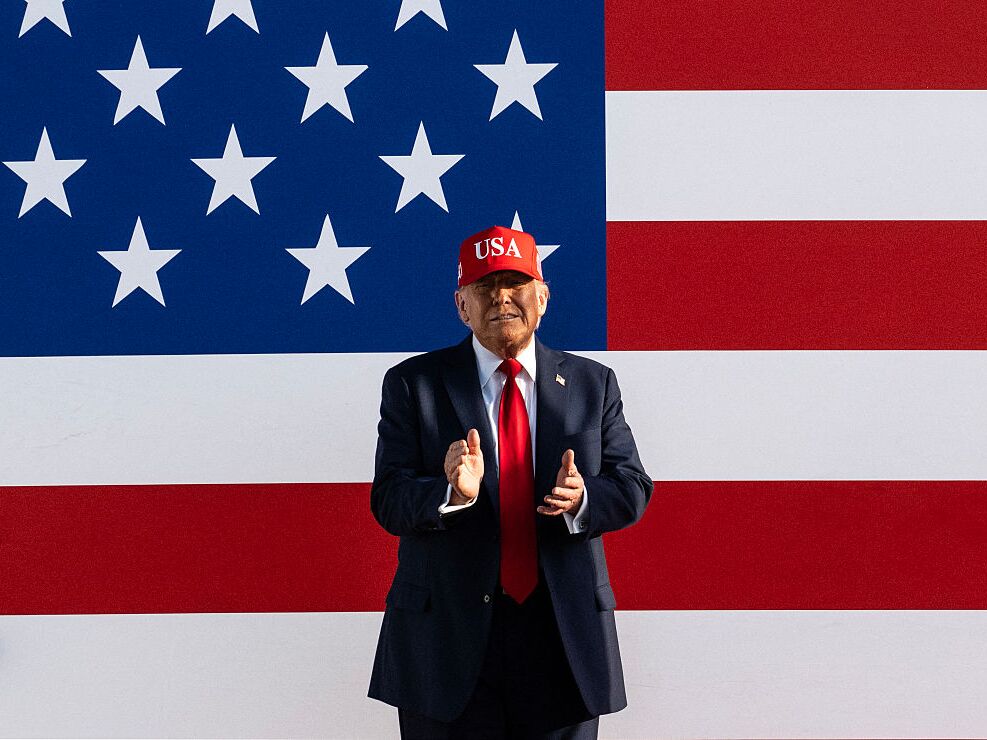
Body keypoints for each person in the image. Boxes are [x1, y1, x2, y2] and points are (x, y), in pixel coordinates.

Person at [368, 225, 652, 738]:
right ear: (462, 306)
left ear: (542, 298)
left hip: (562, 640)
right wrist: (451, 494)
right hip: (445, 642)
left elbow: (632, 485)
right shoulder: (414, 384)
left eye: (516, 284)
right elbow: (389, 498)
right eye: (485, 287)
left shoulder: (593, 383)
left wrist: (582, 498)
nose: (501, 297)